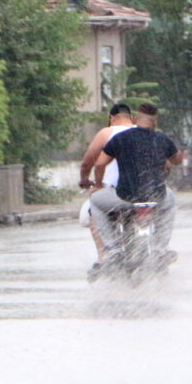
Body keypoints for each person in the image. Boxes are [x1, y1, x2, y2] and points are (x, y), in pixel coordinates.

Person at [89, 103, 183, 269]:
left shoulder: (120, 139)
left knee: (95, 202)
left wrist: (98, 185)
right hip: (156, 197)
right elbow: (176, 161)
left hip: (125, 197)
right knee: (170, 200)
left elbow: (99, 164)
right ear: (155, 121)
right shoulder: (162, 139)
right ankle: (160, 249)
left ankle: (112, 249)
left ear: (134, 119)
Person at [78, 103, 134, 266]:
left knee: (94, 208)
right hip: (143, 192)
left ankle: (104, 257)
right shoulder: (144, 132)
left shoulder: (107, 133)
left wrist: (85, 179)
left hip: (114, 192)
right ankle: (158, 249)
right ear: (131, 118)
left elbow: (88, 162)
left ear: (111, 118)